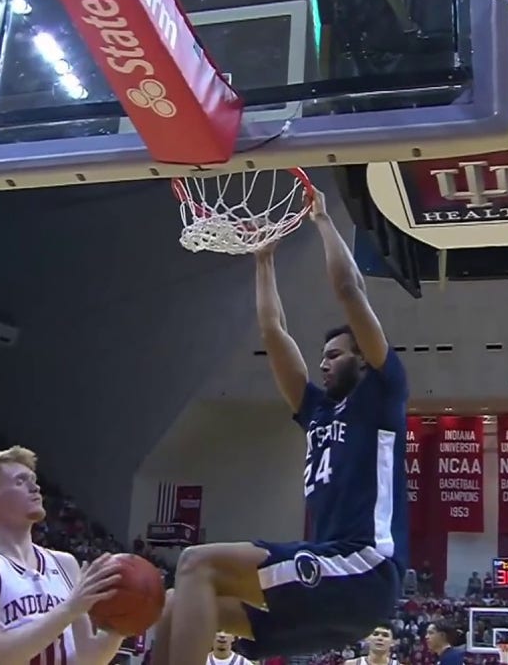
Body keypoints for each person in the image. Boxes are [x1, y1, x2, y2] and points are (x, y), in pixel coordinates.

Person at [153, 188, 408, 665]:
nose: (324, 364)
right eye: (322, 357)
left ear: (363, 360)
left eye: (335, 355)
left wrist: (324, 221)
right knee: (179, 600)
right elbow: (273, 331)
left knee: (195, 562)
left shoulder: (382, 394)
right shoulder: (316, 411)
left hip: (363, 566)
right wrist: (264, 258)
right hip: (331, 587)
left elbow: (350, 290)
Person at [0, 445, 125, 665]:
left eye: (34, 480)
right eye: (21, 482)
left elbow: (88, 658)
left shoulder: (65, 563)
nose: (35, 488)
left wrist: (121, 625)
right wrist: (70, 608)